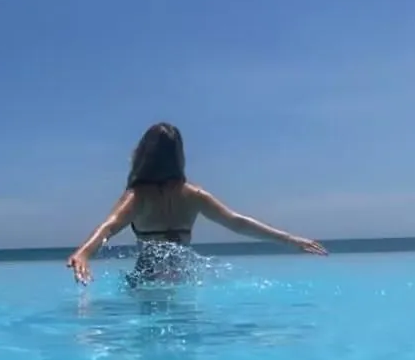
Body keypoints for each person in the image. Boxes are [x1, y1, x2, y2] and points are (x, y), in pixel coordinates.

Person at [66, 122, 328, 285]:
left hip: (146, 281)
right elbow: (237, 222)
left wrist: (84, 253)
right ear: (179, 156)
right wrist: (290, 240)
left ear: (143, 155)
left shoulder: (138, 196)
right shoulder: (193, 195)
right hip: (184, 279)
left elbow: (109, 227)